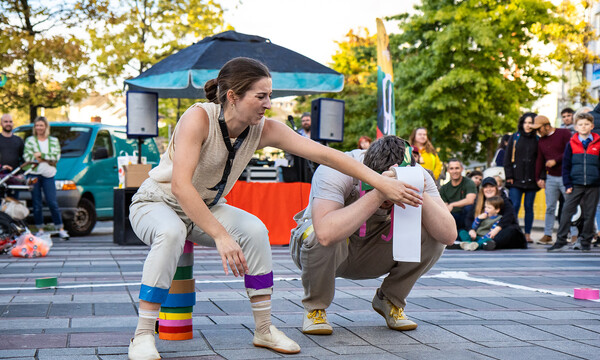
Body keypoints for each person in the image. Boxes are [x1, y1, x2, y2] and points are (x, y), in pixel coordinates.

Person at [126, 57, 423, 359]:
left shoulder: (263, 129)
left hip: (206, 207)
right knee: (172, 232)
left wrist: (380, 183)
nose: (268, 103)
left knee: (255, 230)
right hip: (156, 203)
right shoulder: (199, 118)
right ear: (233, 96)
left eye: (270, 95)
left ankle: (264, 329)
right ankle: (142, 336)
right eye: (261, 96)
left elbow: (329, 155)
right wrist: (221, 236)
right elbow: (181, 187)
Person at [293, 135, 454, 335]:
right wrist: (379, 192)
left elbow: (448, 235)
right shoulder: (336, 169)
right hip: (331, 250)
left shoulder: (417, 175)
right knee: (316, 233)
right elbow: (325, 234)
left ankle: (390, 299)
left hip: (375, 249)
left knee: (434, 235)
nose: (391, 196)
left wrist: (417, 189)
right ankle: (315, 307)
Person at [548, 112, 600, 252]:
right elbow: (566, 166)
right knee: (566, 211)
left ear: (592, 126)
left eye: (586, 124)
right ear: (576, 127)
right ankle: (560, 241)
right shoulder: (571, 144)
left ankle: (585, 242)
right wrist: (568, 184)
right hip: (575, 184)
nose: (583, 127)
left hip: (593, 185)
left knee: (589, 214)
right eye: (581, 124)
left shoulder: (598, 143)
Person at [23, 116, 69, 240]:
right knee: (37, 203)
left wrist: (41, 156)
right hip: (34, 175)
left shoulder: (53, 141)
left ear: (46, 127)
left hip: (49, 175)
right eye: (37, 125)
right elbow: (28, 157)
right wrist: (47, 159)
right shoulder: (30, 141)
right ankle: (40, 229)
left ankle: (60, 229)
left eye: (41, 125)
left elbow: (56, 157)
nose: (39, 128)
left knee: (52, 202)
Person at [532, 115, 572, 245]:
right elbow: (540, 159)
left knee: (570, 206)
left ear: (547, 126)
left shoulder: (564, 133)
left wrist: (556, 160)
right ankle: (547, 234)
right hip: (551, 177)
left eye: (539, 129)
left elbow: (571, 150)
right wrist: (538, 177)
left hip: (566, 176)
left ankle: (574, 234)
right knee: (550, 207)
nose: (538, 132)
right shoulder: (541, 141)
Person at [503, 112, 539, 243]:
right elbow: (507, 159)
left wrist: (540, 177)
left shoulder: (537, 139)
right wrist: (509, 176)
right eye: (526, 122)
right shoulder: (515, 137)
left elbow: (540, 160)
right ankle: (514, 232)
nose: (528, 125)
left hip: (531, 180)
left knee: (529, 207)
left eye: (531, 123)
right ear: (522, 124)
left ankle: (528, 234)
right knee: (515, 206)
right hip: (515, 179)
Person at [465, 177, 527, 249]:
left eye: (491, 186)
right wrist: (471, 230)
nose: (489, 189)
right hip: (483, 232)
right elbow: (468, 218)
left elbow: (510, 216)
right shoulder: (479, 201)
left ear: (496, 188)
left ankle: (487, 244)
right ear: (482, 189)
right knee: (462, 230)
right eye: (486, 187)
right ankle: (466, 243)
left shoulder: (504, 200)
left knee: (512, 230)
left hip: (500, 231)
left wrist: (497, 228)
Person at [439, 159, 477, 234]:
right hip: (453, 217)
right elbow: (445, 207)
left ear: (462, 169)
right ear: (448, 170)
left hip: (467, 216)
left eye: (457, 168)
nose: (454, 171)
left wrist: (452, 204)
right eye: (451, 168)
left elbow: (470, 200)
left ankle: (466, 233)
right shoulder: (444, 188)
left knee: (468, 207)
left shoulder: (469, 183)